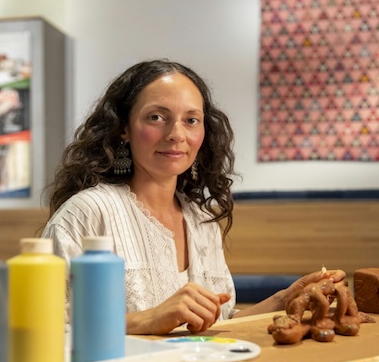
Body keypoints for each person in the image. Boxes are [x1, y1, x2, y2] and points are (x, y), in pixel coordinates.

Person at [42, 59, 346, 335]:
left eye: (191, 120)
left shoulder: (202, 221)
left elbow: (218, 325)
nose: (176, 133)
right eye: (157, 117)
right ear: (123, 129)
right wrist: (147, 319)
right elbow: (45, 324)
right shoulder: (87, 213)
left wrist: (285, 298)